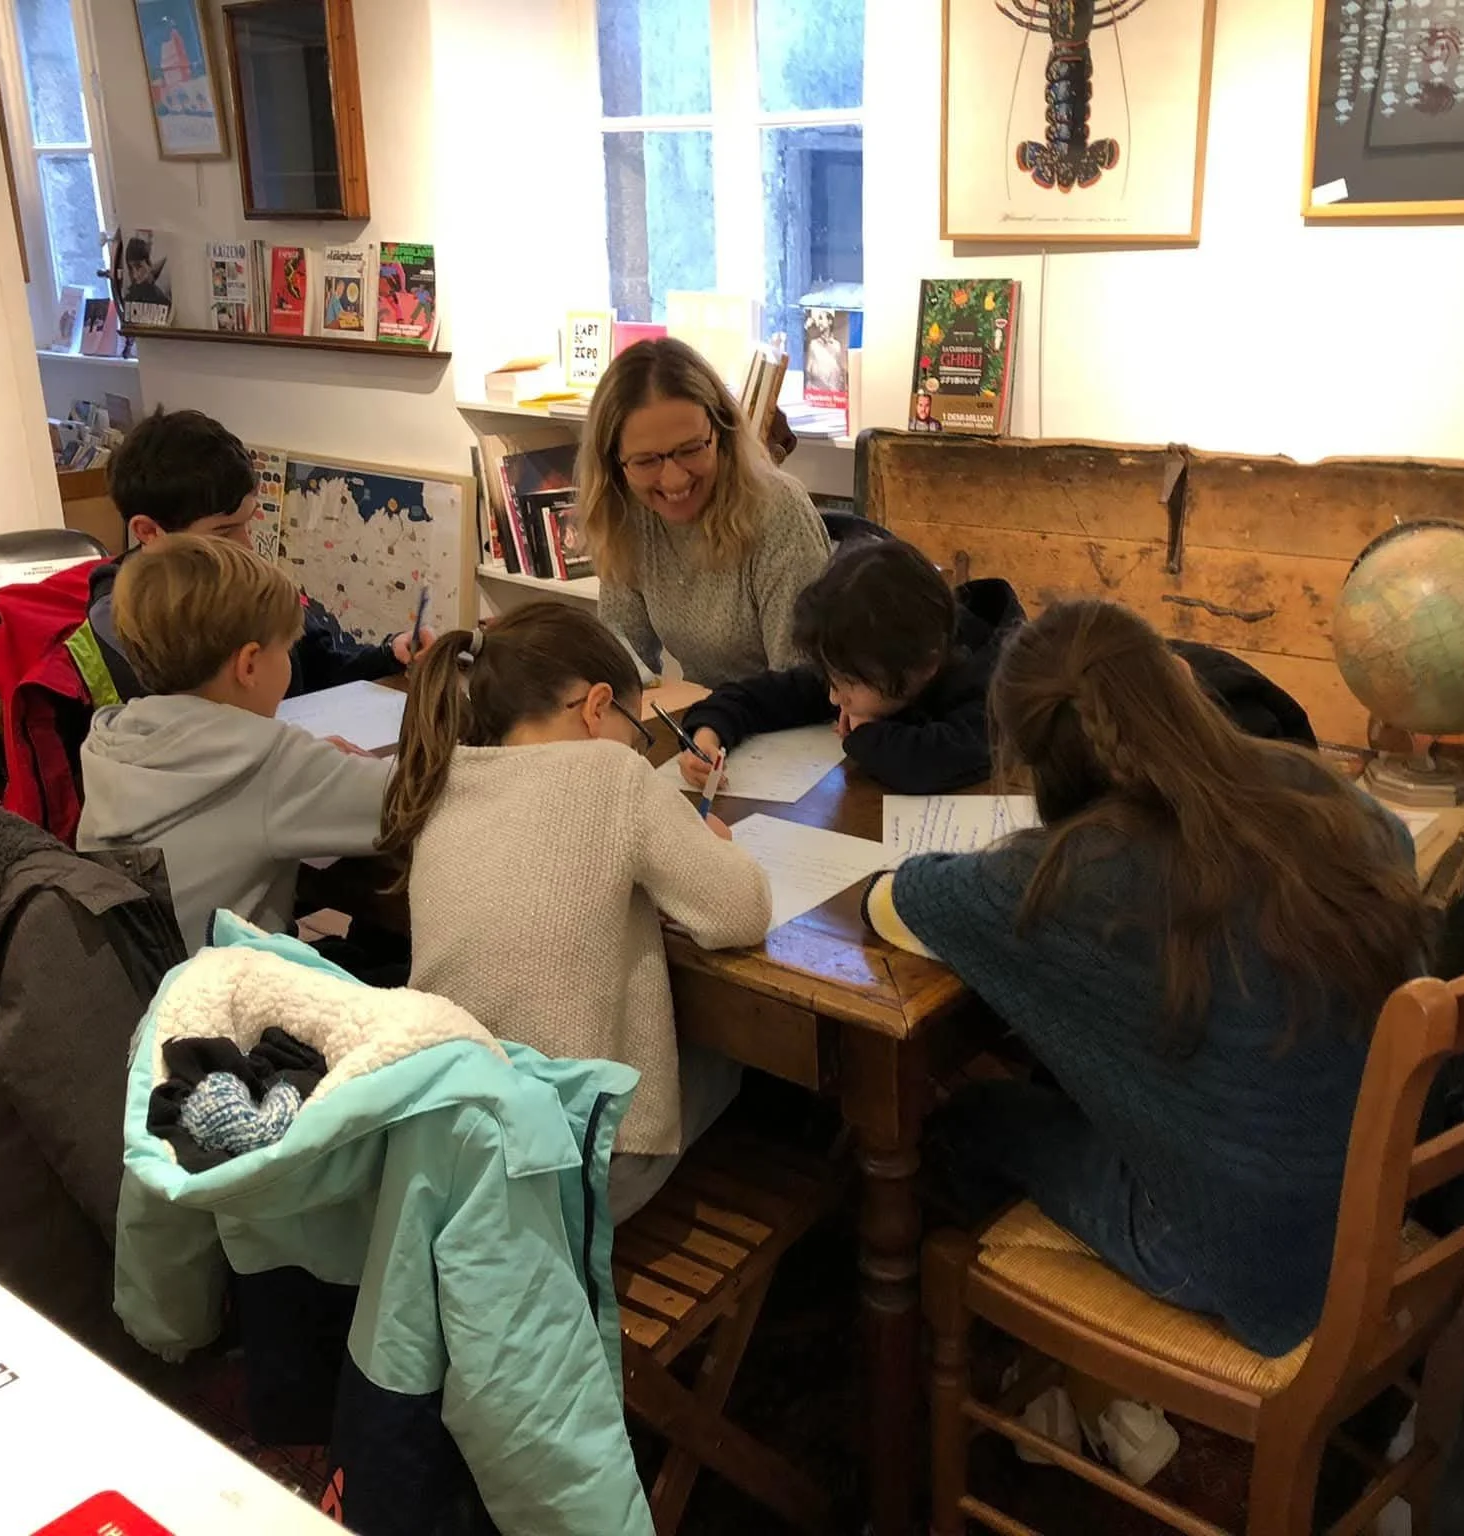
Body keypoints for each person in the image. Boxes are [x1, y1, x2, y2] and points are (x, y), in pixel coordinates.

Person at [863, 600, 1427, 1357]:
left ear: (1029, 755)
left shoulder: (1069, 873)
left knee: (968, 1114)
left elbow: (897, 898)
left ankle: (1064, 1389)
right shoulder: (1308, 785)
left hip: (1241, 1259)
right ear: (1181, 682)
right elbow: (1391, 849)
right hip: (1370, 1192)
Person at [380, 601, 772, 1221]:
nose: (637, 749)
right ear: (596, 707)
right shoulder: (612, 774)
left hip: (452, 1150)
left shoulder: (443, 774)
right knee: (739, 1058)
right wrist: (715, 846)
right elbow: (741, 912)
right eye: (638, 733)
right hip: (576, 1172)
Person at [76, 534, 393, 955]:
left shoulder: (111, 739)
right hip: (237, 1008)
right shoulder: (272, 762)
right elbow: (411, 797)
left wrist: (308, 763)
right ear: (248, 665)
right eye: (287, 650)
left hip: (150, 995)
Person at [88, 408, 432, 701]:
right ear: (149, 532)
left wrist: (387, 655)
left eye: (247, 524)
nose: (247, 547)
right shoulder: (122, 622)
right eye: (223, 533)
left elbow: (321, 664)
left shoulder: (244, 579)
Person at [675, 539, 1025, 795]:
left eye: (845, 683)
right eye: (831, 678)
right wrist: (708, 733)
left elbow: (928, 762)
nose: (833, 695)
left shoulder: (999, 684)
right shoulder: (862, 662)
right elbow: (759, 695)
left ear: (925, 666)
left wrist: (864, 731)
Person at [579, 337, 831, 687]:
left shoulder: (777, 510)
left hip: (781, 724)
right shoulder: (629, 511)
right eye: (646, 461)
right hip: (707, 722)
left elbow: (803, 685)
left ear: (722, 432)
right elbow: (624, 661)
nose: (674, 477)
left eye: (691, 449)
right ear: (614, 464)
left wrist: (714, 723)